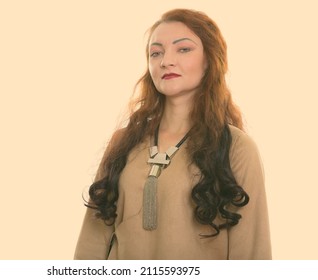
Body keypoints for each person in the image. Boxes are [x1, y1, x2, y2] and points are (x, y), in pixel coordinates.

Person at [74, 8, 271, 260]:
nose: (166, 60)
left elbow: (252, 252)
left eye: (183, 49)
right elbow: (92, 240)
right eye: (156, 53)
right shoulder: (122, 142)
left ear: (210, 59)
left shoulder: (236, 148)